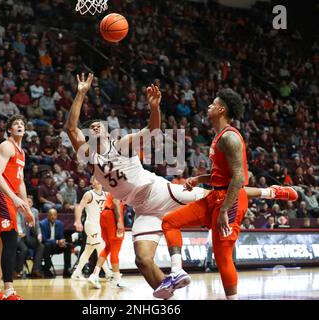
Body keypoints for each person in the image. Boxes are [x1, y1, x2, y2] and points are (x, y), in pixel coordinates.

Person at [65, 73, 298, 299]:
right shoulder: (89, 156)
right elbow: (71, 129)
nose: (96, 128)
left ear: (107, 130)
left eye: (99, 125)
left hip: (160, 193)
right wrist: (81, 94)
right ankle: (170, 294)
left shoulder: (123, 144)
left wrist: (154, 107)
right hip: (142, 209)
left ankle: (271, 191)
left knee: (217, 192)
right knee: (142, 260)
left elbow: (153, 129)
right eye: (92, 128)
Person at [159, 89, 296, 300]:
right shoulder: (218, 136)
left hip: (229, 202)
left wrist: (224, 210)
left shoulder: (230, 138)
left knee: (222, 257)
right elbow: (220, 176)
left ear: (221, 109)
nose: (208, 107)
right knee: (169, 222)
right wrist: (199, 180)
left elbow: (239, 179)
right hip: (215, 196)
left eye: (212, 105)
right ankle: (177, 272)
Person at [0, 115, 35, 300]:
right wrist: (13, 198)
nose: (20, 126)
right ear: (9, 129)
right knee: (10, 241)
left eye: (22, 124)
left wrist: (27, 209)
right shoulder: (6, 146)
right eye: (16, 124)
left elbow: (20, 182)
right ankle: (9, 291)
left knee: (1, 246)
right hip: (0, 196)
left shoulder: (22, 152)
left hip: (9, 198)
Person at [71, 177, 112, 281]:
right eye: (93, 180)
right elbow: (79, 207)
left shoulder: (107, 195)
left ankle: (76, 273)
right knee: (101, 248)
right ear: (91, 182)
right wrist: (78, 221)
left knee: (88, 250)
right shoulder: (89, 194)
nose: (96, 181)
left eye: (97, 179)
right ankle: (108, 273)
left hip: (100, 226)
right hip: (91, 225)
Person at [88, 193, 125, 289]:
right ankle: (116, 279)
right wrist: (119, 221)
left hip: (104, 215)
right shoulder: (119, 186)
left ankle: (94, 275)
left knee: (108, 247)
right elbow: (116, 203)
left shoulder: (113, 186)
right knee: (115, 248)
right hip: (112, 216)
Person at [40, 208, 71, 278]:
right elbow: (44, 239)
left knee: (67, 246)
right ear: (47, 216)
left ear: (57, 216)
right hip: (47, 247)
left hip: (57, 246)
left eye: (54, 215)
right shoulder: (42, 224)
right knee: (46, 245)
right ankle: (47, 269)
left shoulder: (60, 224)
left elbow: (61, 237)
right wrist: (57, 241)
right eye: (51, 215)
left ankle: (67, 269)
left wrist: (62, 242)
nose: (52, 217)